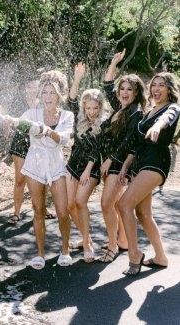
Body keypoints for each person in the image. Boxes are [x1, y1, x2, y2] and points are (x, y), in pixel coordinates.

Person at [118, 72, 180, 276]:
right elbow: (136, 145)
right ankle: (161, 257)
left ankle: (134, 255)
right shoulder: (149, 111)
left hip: (156, 161)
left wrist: (157, 126)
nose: (156, 88)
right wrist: (126, 166)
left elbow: (167, 119)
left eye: (161, 85)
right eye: (154, 85)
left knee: (124, 204)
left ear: (169, 89)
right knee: (143, 214)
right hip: (140, 164)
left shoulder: (171, 108)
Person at [17, 70, 74, 269]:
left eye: (53, 93)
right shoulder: (32, 114)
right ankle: (40, 254)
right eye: (45, 92)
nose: (48, 97)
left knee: (63, 211)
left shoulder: (67, 115)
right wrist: (11, 121)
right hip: (35, 162)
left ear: (60, 95)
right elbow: (20, 124)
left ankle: (65, 250)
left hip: (56, 164)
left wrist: (47, 131)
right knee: (38, 210)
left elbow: (64, 139)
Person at [99, 49, 146, 262]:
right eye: (123, 88)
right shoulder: (121, 107)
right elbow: (107, 86)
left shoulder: (136, 112)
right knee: (116, 205)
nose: (124, 92)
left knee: (106, 204)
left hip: (119, 164)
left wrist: (110, 159)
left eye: (130, 89)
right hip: (111, 162)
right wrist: (114, 64)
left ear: (136, 93)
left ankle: (112, 246)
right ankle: (123, 241)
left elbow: (129, 141)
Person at [66, 63, 107, 262]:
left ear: (100, 107)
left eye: (95, 108)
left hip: (90, 170)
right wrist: (77, 79)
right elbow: (71, 100)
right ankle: (85, 237)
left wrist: (87, 171)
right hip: (72, 166)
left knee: (80, 202)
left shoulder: (102, 125)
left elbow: (96, 150)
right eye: (88, 107)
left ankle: (88, 243)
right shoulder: (78, 119)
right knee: (69, 205)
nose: (92, 111)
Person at [7, 78, 55, 224]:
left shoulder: (44, 104)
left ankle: (42, 208)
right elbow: (12, 122)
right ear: (25, 89)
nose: (32, 89)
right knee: (20, 179)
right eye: (29, 87)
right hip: (20, 145)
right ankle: (16, 213)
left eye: (35, 87)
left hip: (40, 144)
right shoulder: (17, 104)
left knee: (43, 179)